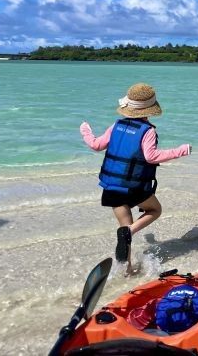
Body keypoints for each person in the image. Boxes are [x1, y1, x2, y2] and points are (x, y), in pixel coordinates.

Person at [80, 83, 191, 266]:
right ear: (150, 110)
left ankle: (127, 269)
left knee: (124, 227)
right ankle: (130, 232)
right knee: (155, 210)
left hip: (111, 187)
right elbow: (151, 156)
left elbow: (96, 145)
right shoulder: (148, 131)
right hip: (134, 188)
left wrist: (85, 130)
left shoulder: (116, 125)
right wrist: (181, 151)